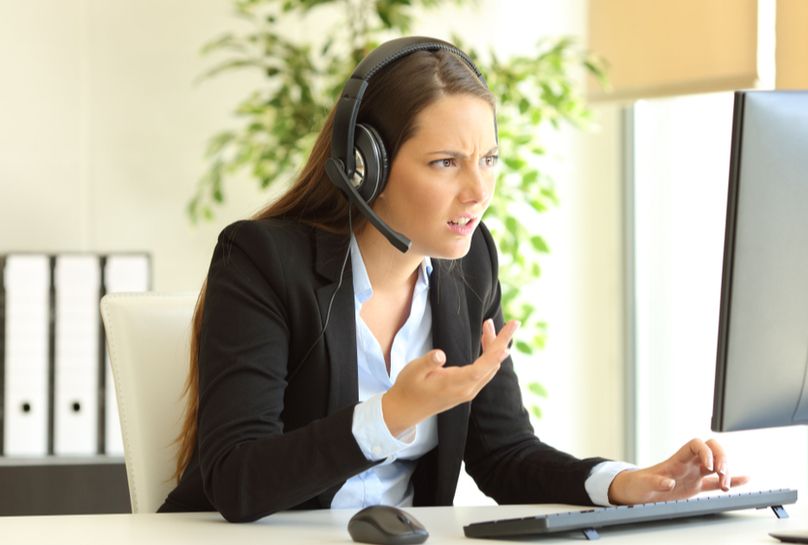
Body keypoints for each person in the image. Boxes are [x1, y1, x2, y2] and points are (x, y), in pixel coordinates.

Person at [159, 37, 747, 523]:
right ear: (368, 166)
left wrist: (626, 484)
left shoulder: (469, 266)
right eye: (446, 162)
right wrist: (389, 415)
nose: (478, 191)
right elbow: (237, 481)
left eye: (488, 159)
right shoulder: (263, 260)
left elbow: (505, 455)